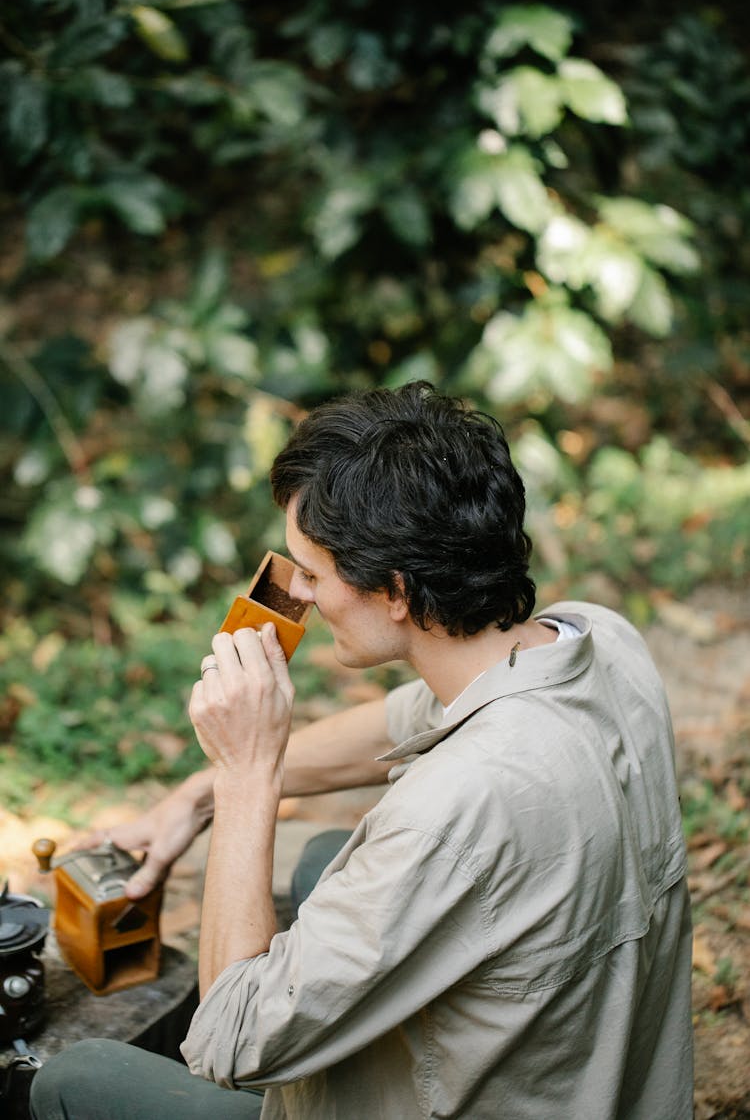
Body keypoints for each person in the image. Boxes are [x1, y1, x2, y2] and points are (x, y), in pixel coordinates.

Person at [30, 382, 693, 1120]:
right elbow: (387, 727)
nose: (300, 595)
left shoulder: (458, 804)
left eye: (311, 572)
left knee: (72, 1080)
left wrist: (245, 773)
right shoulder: (600, 640)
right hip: (597, 1070)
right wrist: (192, 799)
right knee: (321, 863)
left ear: (396, 591)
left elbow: (228, 1039)